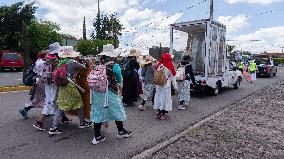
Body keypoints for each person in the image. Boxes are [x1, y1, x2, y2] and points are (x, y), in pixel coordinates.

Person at [48, 46, 92, 135]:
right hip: (70, 86)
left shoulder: (61, 62)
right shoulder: (72, 62)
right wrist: (87, 62)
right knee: (78, 103)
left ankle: (54, 127)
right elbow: (84, 68)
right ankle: (81, 123)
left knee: (63, 106)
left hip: (62, 87)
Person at [90, 55, 132, 145]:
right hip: (109, 92)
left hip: (97, 92)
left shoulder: (97, 65)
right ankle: (121, 132)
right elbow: (119, 80)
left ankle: (97, 136)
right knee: (117, 110)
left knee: (98, 112)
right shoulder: (115, 66)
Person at [19, 51, 47, 119]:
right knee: (39, 99)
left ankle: (47, 112)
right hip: (41, 83)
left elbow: (34, 73)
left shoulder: (37, 62)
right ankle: (25, 110)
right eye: (46, 55)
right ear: (43, 56)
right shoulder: (42, 63)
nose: (48, 56)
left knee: (37, 98)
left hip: (37, 82)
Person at [154, 53, 177, 120]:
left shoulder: (159, 64)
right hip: (166, 85)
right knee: (165, 99)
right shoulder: (170, 65)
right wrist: (175, 87)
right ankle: (163, 114)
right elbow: (173, 77)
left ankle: (158, 112)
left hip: (158, 85)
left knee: (159, 98)